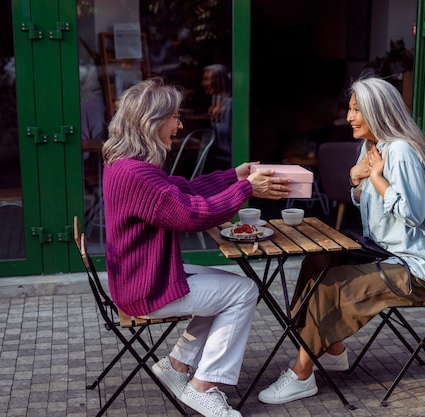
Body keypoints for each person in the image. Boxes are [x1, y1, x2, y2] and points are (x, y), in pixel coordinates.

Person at [101, 77, 291, 417]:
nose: (180, 124)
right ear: (152, 121)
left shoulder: (126, 166)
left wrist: (235, 175)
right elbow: (191, 214)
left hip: (143, 276)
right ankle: (204, 387)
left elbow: (184, 190)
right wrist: (246, 189)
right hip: (145, 287)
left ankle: (177, 365)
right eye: (175, 117)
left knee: (226, 289)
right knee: (243, 291)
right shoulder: (137, 175)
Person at [257, 76, 425, 405]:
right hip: (380, 252)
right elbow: (366, 203)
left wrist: (376, 178)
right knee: (317, 262)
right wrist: (356, 179)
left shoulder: (400, 152)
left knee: (332, 285)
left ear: (378, 111)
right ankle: (332, 350)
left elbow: (413, 215)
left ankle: (302, 374)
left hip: (412, 269)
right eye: (350, 108)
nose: (349, 117)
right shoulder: (374, 147)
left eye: (357, 109)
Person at [201, 64, 232, 173]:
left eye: (207, 79)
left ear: (219, 81)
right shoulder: (216, 102)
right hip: (218, 157)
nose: (203, 84)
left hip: (227, 160)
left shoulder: (231, 106)